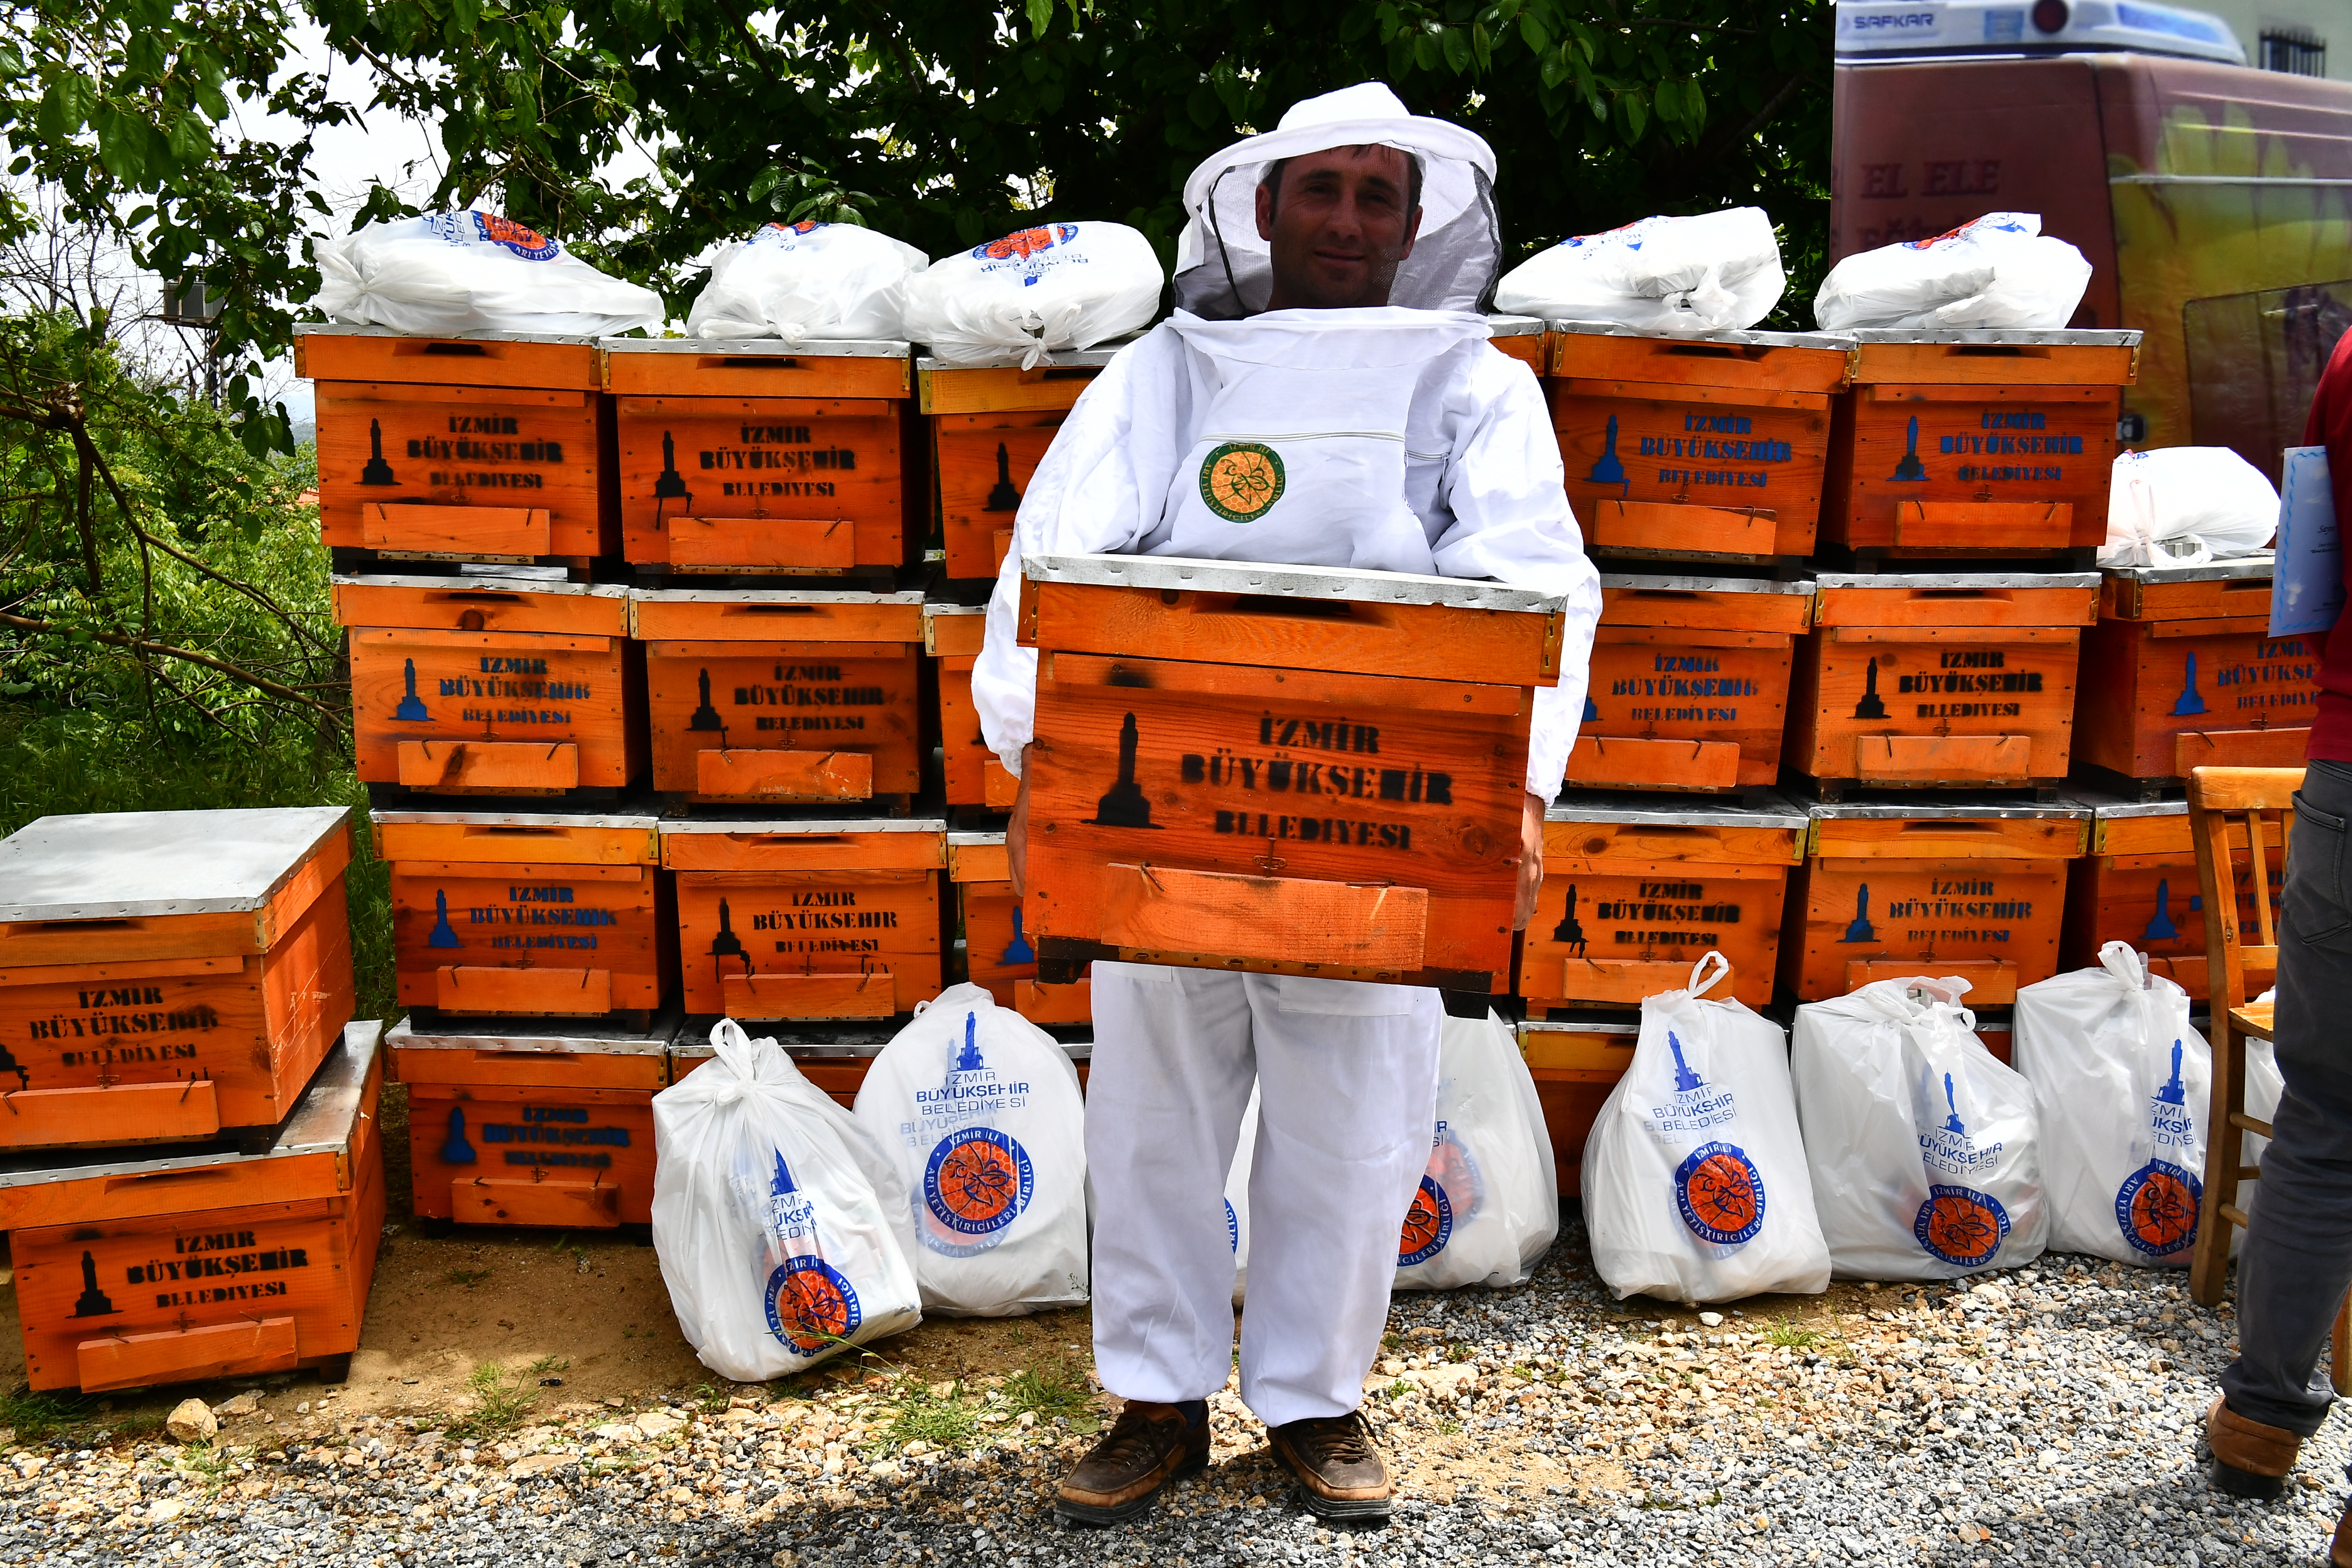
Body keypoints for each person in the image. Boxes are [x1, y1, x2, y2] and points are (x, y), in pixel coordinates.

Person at [970, 82, 1600, 1524]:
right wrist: (1031, 765)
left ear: (1415, 224)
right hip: (1159, 812)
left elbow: (1539, 592)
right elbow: (1052, 565)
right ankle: (1155, 1399)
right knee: (1153, 1114)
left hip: (1381, 819)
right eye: (1321, 190)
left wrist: (1524, 790)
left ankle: (1317, 1402)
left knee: (1354, 1120)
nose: (1346, 220)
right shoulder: (1166, 375)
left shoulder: (1474, 386)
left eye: (1378, 197)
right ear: (1261, 209)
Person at [2201, 323, 2352, 1566]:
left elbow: (2308, 574)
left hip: (2348, 778)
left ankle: (2259, 1423)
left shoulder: (2351, 362)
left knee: (2322, 1122)